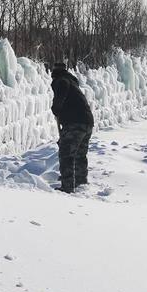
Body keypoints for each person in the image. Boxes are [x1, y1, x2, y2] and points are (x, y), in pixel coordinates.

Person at [50, 61, 94, 193]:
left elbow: (62, 88)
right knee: (80, 154)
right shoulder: (73, 82)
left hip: (74, 123)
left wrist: (56, 107)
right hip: (87, 121)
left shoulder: (61, 80)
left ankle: (67, 186)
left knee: (66, 153)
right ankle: (80, 181)